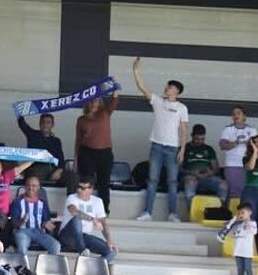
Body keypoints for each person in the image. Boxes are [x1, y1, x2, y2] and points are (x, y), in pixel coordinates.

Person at [132, 58, 189, 222]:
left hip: (172, 149)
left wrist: (182, 150)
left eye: (169, 87)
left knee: (172, 182)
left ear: (176, 91)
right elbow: (144, 88)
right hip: (156, 146)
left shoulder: (182, 108)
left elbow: (184, 130)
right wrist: (136, 71)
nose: (166, 88)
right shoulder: (158, 102)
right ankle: (147, 212)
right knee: (152, 180)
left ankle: (173, 213)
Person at [74, 90, 120, 212]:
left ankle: (103, 210)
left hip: (104, 153)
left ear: (100, 102)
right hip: (86, 153)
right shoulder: (81, 120)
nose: (94, 102)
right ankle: (84, 208)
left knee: (104, 183)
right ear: (87, 103)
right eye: (92, 100)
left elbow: (114, 101)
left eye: (96, 100)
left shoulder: (105, 113)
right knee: (86, 183)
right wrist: (76, 159)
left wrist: (114, 88)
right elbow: (78, 140)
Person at [59, 180, 117, 261]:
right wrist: (92, 219)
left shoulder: (97, 201)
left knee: (111, 251)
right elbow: (74, 211)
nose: (79, 190)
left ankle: (93, 269)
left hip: (84, 237)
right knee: (76, 219)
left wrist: (109, 240)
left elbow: (103, 222)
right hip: (68, 235)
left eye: (82, 188)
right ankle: (82, 250)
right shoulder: (72, 197)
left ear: (91, 189)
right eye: (78, 187)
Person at [179, 124, 227, 215]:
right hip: (190, 176)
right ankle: (193, 212)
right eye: (197, 139)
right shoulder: (185, 148)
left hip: (207, 177)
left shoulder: (208, 149)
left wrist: (210, 172)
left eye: (202, 139)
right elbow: (179, 168)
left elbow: (216, 168)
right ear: (192, 135)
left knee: (223, 185)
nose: (199, 141)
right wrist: (192, 172)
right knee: (190, 181)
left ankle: (220, 212)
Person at [15, 111, 69, 187]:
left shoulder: (56, 141)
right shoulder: (32, 135)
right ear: (40, 124)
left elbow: (61, 157)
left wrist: (59, 170)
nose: (45, 125)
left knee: (71, 176)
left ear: (52, 125)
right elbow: (22, 124)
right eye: (43, 122)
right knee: (34, 177)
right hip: (36, 168)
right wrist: (20, 111)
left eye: (48, 122)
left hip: (53, 169)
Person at [10, 175, 61, 255]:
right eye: (28, 185)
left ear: (38, 187)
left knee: (56, 246)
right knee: (22, 245)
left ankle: (46, 266)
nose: (31, 188)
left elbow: (46, 220)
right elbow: (13, 223)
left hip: (38, 232)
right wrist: (22, 221)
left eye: (34, 186)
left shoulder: (43, 202)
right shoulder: (17, 201)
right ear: (24, 186)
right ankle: (22, 267)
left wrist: (46, 224)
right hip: (22, 232)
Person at [219, 106, 258, 201]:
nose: (235, 115)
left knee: (247, 190)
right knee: (234, 192)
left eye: (238, 113)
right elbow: (222, 145)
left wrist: (250, 143)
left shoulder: (252, 130)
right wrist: (234, 143)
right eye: (234, 114)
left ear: (244, 116)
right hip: (232, 164)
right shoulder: (228, 129)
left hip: (248, 164)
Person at [218, 202, 258, 275]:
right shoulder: (237, 225)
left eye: (243, 213)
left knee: (248, 270)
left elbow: (253, 232)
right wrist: (232, 222)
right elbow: (233, 234)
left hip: (247, 252)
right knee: (240, 270)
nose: (240, 215)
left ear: (249, 213)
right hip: (238, 251)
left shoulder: (253, 223)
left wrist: (246, 223)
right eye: (239, 213)